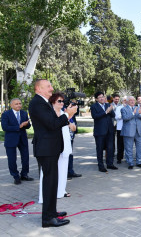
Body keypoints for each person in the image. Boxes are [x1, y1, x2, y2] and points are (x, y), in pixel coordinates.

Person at [29, 79, 77, 228]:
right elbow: (52, 124)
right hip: (46, 149)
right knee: (49, 183)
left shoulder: (43, 102)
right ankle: (48, 219)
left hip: (51, 148)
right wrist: (67, 115)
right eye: (48, 86)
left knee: (53, 182)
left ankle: (51, 212)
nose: (52, 88)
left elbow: (52, 122)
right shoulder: (37, 103)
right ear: (39, 88)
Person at [39, 92, 76, 202]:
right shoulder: (49, 113)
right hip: (51, 147)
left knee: (63, 170)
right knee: (48, 172)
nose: (62, 103)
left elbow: (73, 128)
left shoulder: (65, 113)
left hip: (64, 146)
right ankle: (44, 196)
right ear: (53, 101)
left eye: (63, 101)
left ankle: (60, 191)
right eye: (59, 101)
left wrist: (69, 119)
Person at [1, 98, 32, 184]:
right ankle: (16, 176)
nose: (19, 105)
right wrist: (19, 126)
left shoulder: (24, 113)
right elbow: (5, 127)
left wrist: (27, 124)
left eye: (20, 103)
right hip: (11, 140)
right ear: (11, 105)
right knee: (12, 160)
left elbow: (27, 126)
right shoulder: (6, 114)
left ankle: (24, 175)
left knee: (25, 158)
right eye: (16, 104)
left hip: (22, 139)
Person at [90, 92, 117, 172]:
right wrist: (105, 112)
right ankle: (101, 166)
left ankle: (110, 164)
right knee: (100, 149)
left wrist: (110, 110)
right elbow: (95, 116)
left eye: (102, 96)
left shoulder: (107, 105)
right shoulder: (93, 106)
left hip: (109, 131)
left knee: (110, 148)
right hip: (100, 132)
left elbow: (113, 115)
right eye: (100, 97)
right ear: (96, 99)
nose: (102, 98)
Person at [121, 96, 141, 169]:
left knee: (139, 147)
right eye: (131, 100)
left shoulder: (138, 108)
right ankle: (130, 163)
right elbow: (125, 118)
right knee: (129, 148)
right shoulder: (123, 109)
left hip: (139, 131)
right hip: (129, 131)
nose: (132, 101)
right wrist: (133, 113)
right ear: (127, 101)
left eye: (133, 100)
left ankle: (139, 162)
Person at [115, 96, 127, 164]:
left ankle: (128, 157)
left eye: (126, 100)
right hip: (120, 128)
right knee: (120, 144)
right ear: (122, 101)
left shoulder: (129, 108)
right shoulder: (119, 108)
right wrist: (124, 116)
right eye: (124, 100)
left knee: (128, 144)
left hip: (128, 128)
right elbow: (117, 117)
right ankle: (119, 158)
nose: (125, 101)